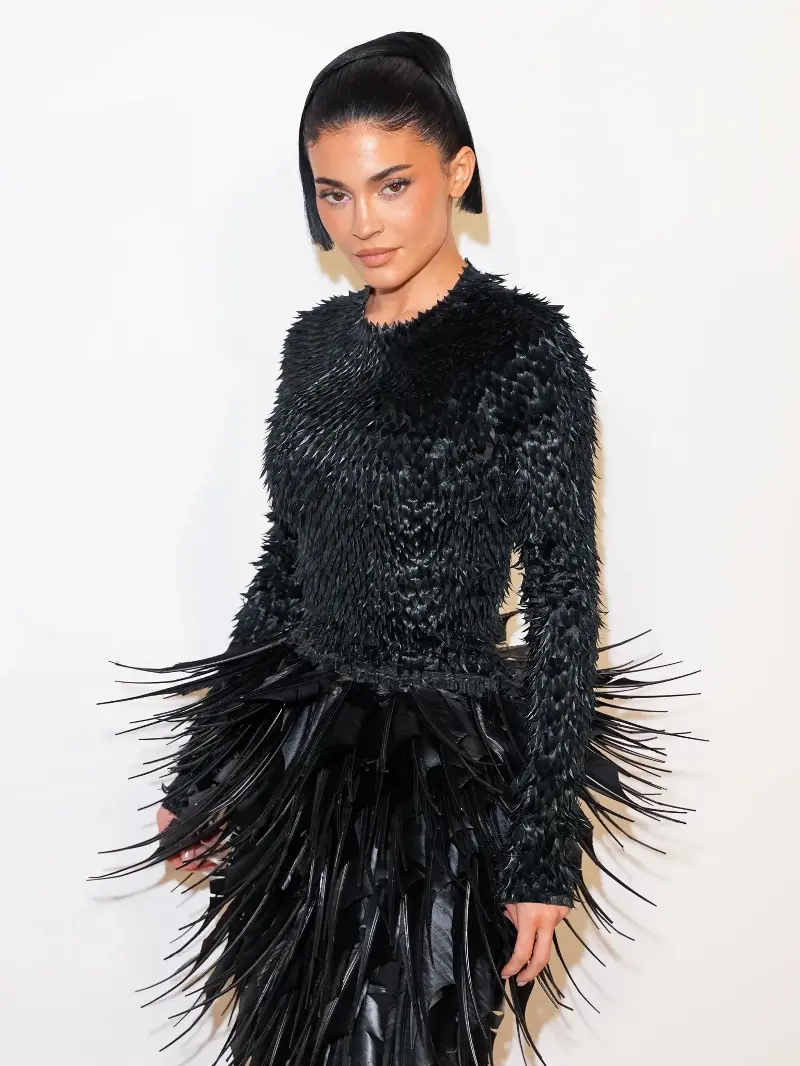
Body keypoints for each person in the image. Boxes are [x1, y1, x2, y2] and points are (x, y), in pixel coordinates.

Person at [91, 30, 701, 1066]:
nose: (361, 222)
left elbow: (564, 600)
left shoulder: (523, 350)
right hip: (303, 768)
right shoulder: (313, 346)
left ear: (457, 172)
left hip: (438, 784)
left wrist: (544, 848)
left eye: (392, 185)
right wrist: (206, 768)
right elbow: (287, 564)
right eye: (333, 193)